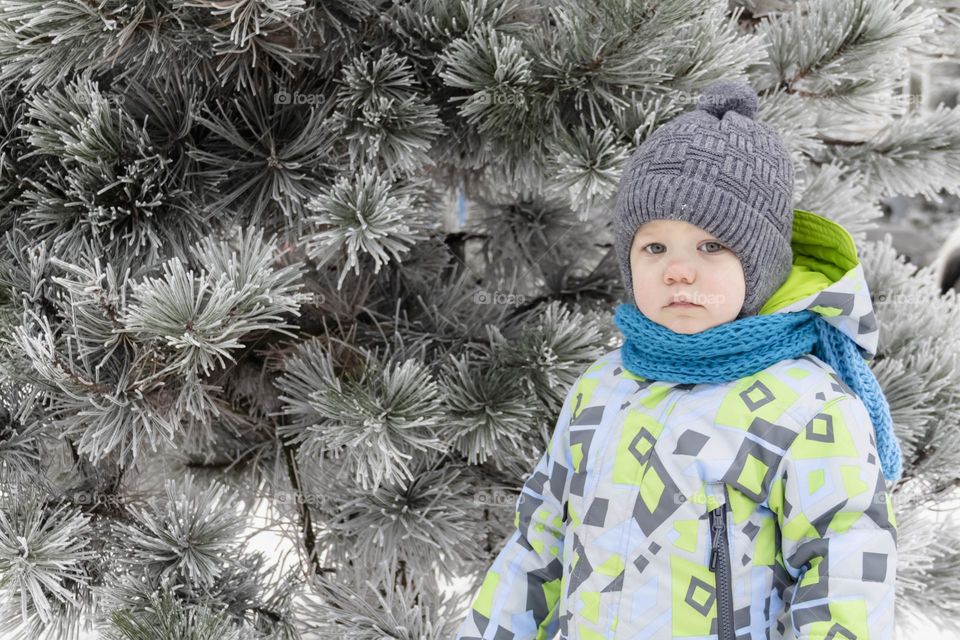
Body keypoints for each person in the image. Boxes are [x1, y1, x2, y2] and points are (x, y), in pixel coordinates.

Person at [454, 79, 902, 640]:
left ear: (759, 265)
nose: (679, 270)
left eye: (712, 246)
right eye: (654, 247)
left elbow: (846, 571)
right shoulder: (604, 385)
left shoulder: (808, 407)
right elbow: (540, 539)